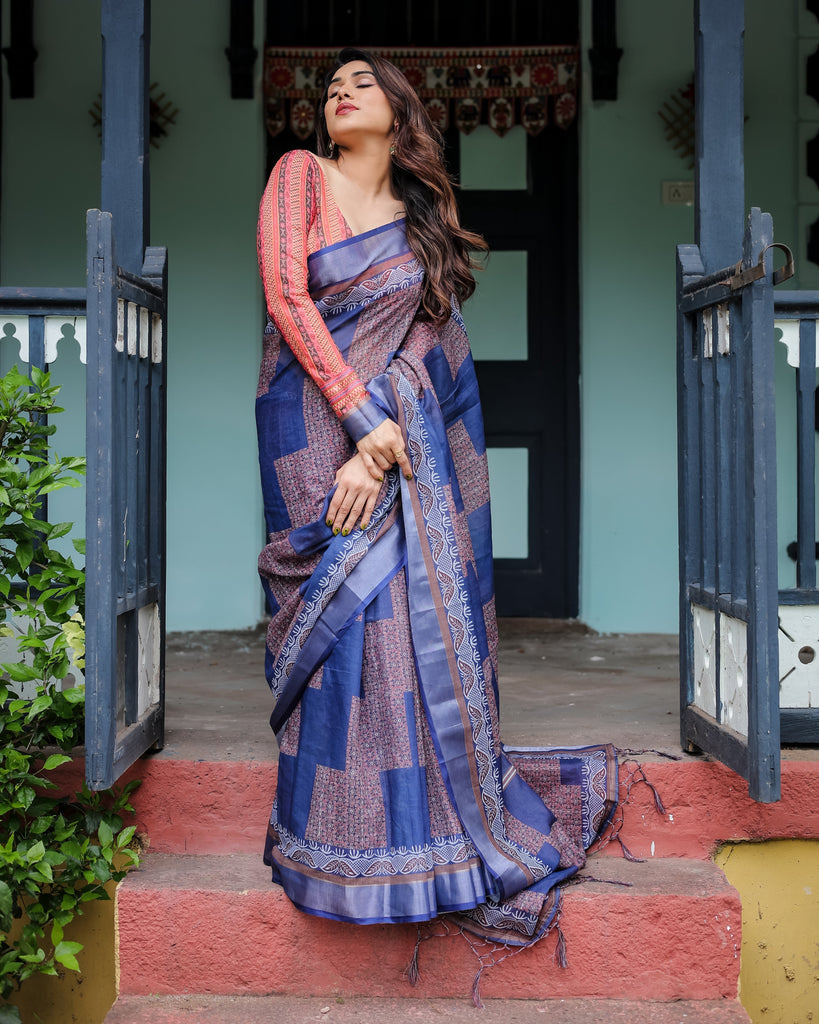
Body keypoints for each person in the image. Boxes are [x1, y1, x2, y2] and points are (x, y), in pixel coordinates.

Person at [256, 47, 616, 966]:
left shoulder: (417, 224)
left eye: (360, 81)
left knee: (396, 631)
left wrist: (385, 443)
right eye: (330, 84)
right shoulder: (299, 176)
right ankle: (334, 842)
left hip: (388, 441)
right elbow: (288, 300)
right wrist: (356, 421)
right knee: (347, 628)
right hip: (307, 423)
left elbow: (434, 355)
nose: (338, 91)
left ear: (401, 110)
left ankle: (416, 843)